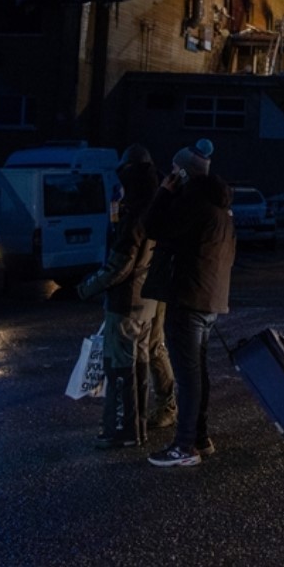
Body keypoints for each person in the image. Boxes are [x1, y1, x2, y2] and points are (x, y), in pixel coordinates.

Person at [141, 138, 234, 468]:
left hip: (187, 298)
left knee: (189, 376)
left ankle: (184, 447)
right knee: (198, 373)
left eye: (175, 170)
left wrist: (164, 192)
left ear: (184, 173)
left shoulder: (192, 201)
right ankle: (199, 438)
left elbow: (152, 227)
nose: (171, 174)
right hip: (210, 301)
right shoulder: (219, 206)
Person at [76, 145, 176, 448]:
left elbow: (120, 264)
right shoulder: (158, 202)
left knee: (120, 368)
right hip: (148, 298)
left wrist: (87, 287)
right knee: (139, 363)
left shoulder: (135, 209)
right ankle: (137, 427)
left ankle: (123, 431)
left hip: (127, 301)